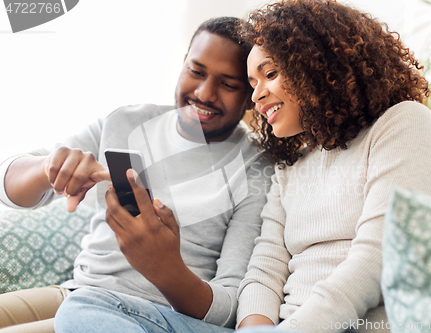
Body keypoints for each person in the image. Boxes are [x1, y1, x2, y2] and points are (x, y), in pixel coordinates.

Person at [0, 17, 272, 333]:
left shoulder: (256, 166)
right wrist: (48, 168)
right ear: (183, 64)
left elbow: (231, 310)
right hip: (78, 291)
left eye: (228, 84)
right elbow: (8, 187)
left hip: (158, 317)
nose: (204, 93)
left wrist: (165, 270)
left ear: (250, 93)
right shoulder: (127, 122)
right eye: (196, 71)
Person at [234, 0, 431, 332]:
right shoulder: (291, 166)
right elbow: (266, 269)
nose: (256, 96)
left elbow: (377, 259)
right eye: (253, 83)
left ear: (315, 64)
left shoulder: (404, 123)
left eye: (270, 74)